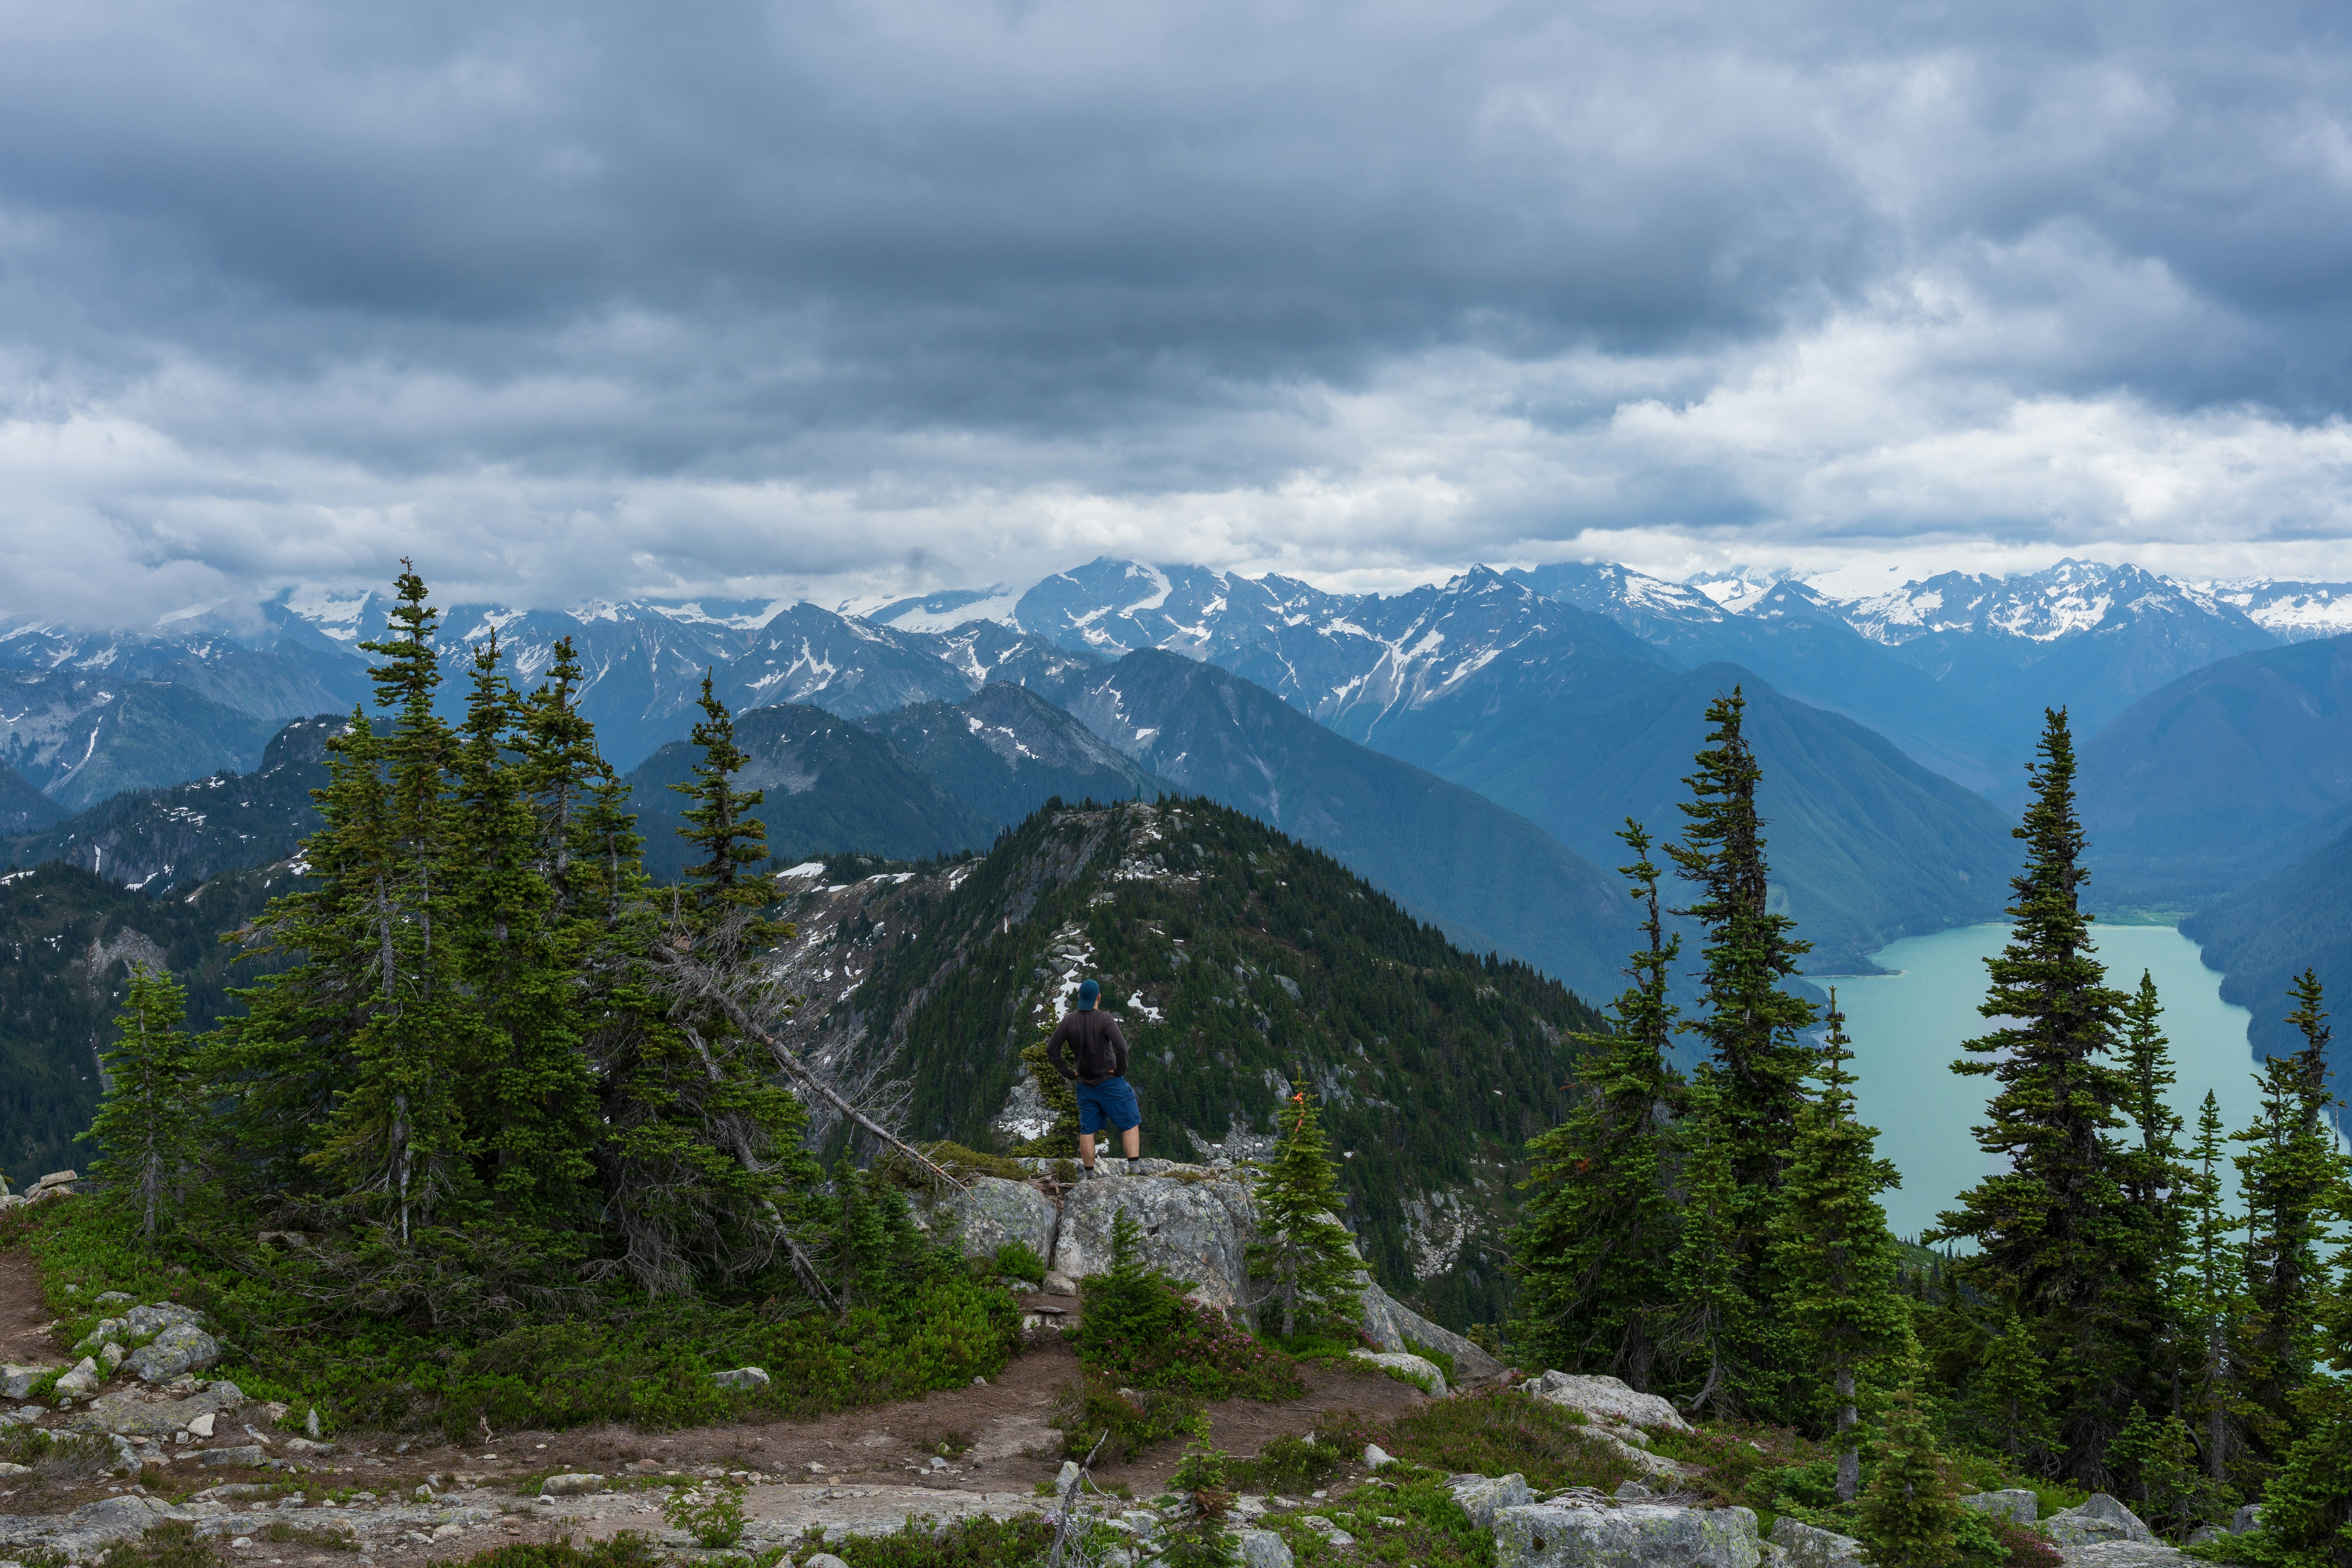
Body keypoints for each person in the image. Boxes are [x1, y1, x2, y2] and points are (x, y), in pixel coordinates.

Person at [1046, 978, 1140, 1178]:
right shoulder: (1105, 1019)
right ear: (1099, 997)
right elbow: (1122, 1048)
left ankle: (1090, 1175)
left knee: (1087, 1129)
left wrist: (1070, 1074)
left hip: (1084, 1085)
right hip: (1109, 1082)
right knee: (1130, 1122)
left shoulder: (1069, 1021)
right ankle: (1134, 1171)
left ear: (1079, 997)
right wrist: (1120, 1071)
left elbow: (1052, 1050)